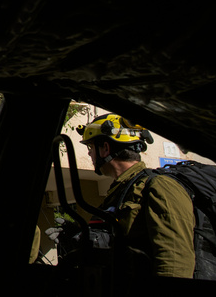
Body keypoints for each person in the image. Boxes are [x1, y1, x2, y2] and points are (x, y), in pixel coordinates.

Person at [76, 113, 195, 278]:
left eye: (91, 147)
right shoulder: (121, 191)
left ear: (105, 148)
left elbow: (175, 263)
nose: (89, 154)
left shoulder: (160, 186)